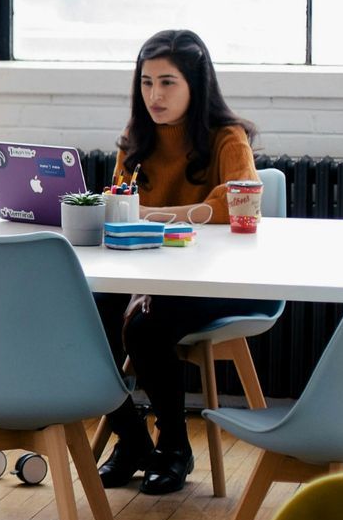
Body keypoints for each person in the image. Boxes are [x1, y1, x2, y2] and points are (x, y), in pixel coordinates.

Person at [95, 28, 262, 495]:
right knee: (82, 317)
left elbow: (236, 202)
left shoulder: (227, 138)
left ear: (196, 85)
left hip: (212, 280)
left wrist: (153, 215)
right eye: (147, 83)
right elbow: (118, 204)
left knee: (145, 326)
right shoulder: (135, 140)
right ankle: (130, 440)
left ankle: (173, 446)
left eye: (168, 82)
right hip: (143, 272)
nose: (155, 95)